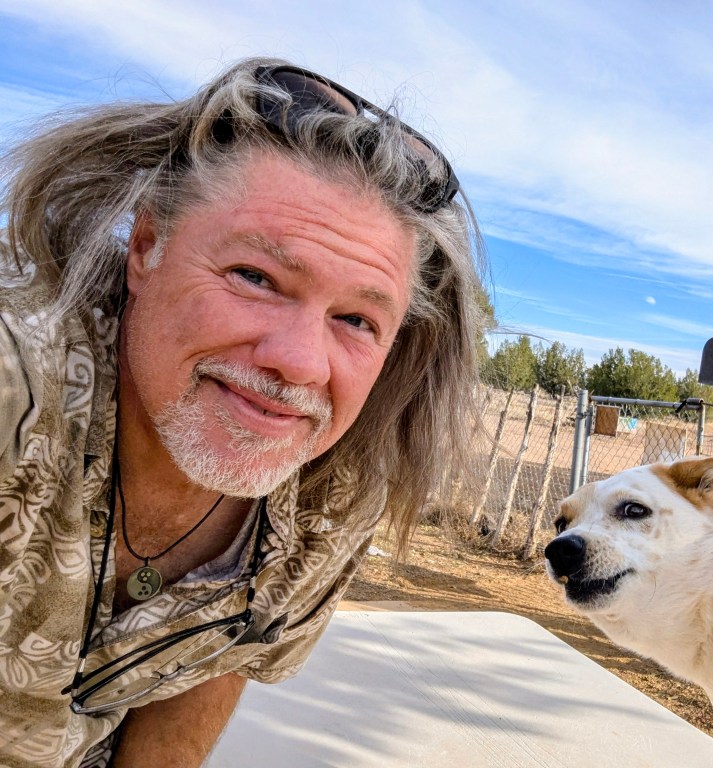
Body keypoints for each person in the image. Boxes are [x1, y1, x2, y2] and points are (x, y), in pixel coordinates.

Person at [0, 57, 484, 767]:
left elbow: (220, 655)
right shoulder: (19, 389)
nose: (300, 363)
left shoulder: (331, 493)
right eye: (255, 277)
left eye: (355, 319)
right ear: (146, 247)